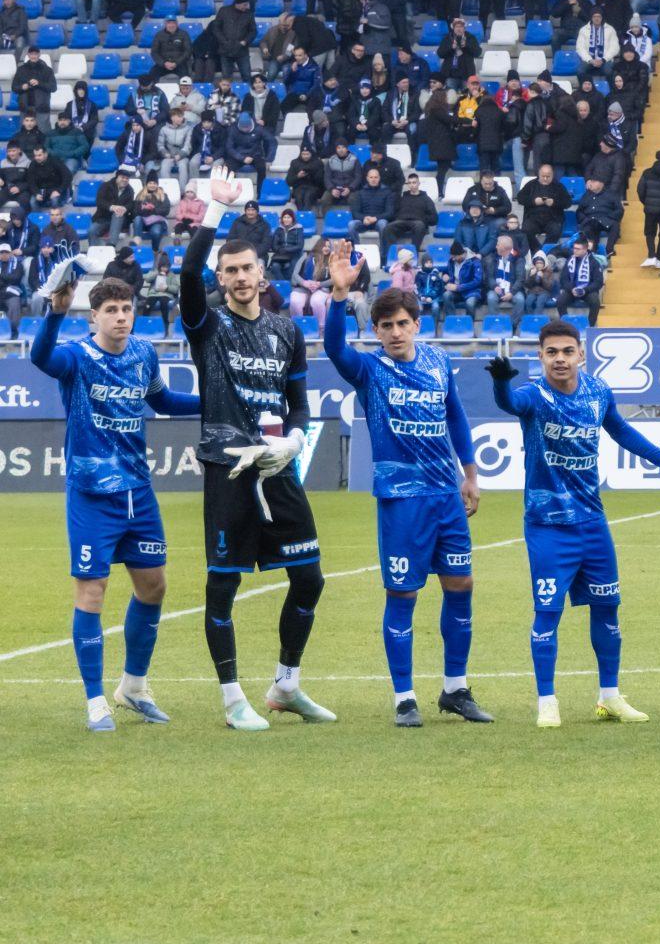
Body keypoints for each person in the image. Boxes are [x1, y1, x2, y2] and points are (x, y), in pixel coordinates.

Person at [179, 166, 334, 731]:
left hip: (276, 468)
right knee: (223, 583)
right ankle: (231, 699)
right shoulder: (207, 325)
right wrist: (216, 211)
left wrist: (294, 440)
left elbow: (299, 404)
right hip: (227, 467)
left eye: (247, 268)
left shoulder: (286, 331)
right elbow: (188, 272)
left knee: (310, 578)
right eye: (231, 271)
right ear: (221, 278)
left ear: (262, 273)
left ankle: (286, 685)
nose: (240, 277)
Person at [320, 246, 489, 727]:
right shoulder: (370, 370)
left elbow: (455, 417)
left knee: (461, 585)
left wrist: (470, 475)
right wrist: (339, 295)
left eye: (402, 324)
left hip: (445, 497)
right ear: (376, 331)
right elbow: (335, 349)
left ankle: (455, 689)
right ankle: (404, 697)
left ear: (416, 324)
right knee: (403, 595)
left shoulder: (437, 362)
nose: (395, 332)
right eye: (386, 326)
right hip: (401, 501)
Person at [488, 322, 660, 728]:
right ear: (540, 356)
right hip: (547, 525)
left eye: (567, 351)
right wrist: (501, 383)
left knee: (608, 608)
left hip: (593, 522)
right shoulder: (534, 396)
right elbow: (510, 403)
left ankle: (609, 696)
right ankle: (547, 701)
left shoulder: (598, 392)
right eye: (551, 352)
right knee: (547, 613)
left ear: (581, 354)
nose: (560, 359)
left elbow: (622, 431)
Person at [31, 275, 200, 730]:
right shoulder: (77, 357)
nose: (121, 317)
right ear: (94, 317)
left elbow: (163, 400)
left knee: (153, 587)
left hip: (137, 492)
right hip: (91, 495)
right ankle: (95, 700)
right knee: (93, 591)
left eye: (127, 309)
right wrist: (56, 312)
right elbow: (41, 357)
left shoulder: (143, 353)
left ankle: (133, 687)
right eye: (111, 311)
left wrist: (214, 403)